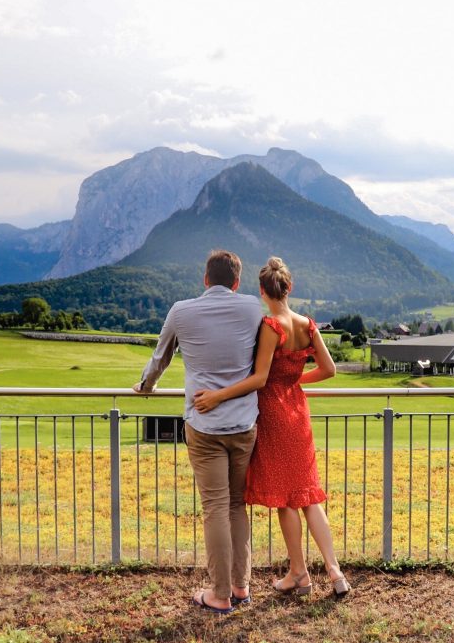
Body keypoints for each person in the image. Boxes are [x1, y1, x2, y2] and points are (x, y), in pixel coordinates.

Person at [194, 256, 350, 598]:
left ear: (262, 291)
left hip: (275, 414)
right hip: (298, 410)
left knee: (286, 500)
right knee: (308, 494)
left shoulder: (271, 325)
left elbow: (260, 378)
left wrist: (218, 396)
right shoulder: (307, 324)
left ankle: (299, 573)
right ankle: (335, 572)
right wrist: (294, 381)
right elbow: (329, 370)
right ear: (289, 287)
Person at [133, 249, 262, 614]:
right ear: (236, 282)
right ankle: (240, 587)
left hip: (204, 426)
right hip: (243, 424)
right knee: (238, 505)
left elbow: (160, 357)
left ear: (205, 280)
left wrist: (145, 386)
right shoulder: (253, 308)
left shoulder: (181, 311)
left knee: (215, 508)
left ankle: (219, 595)